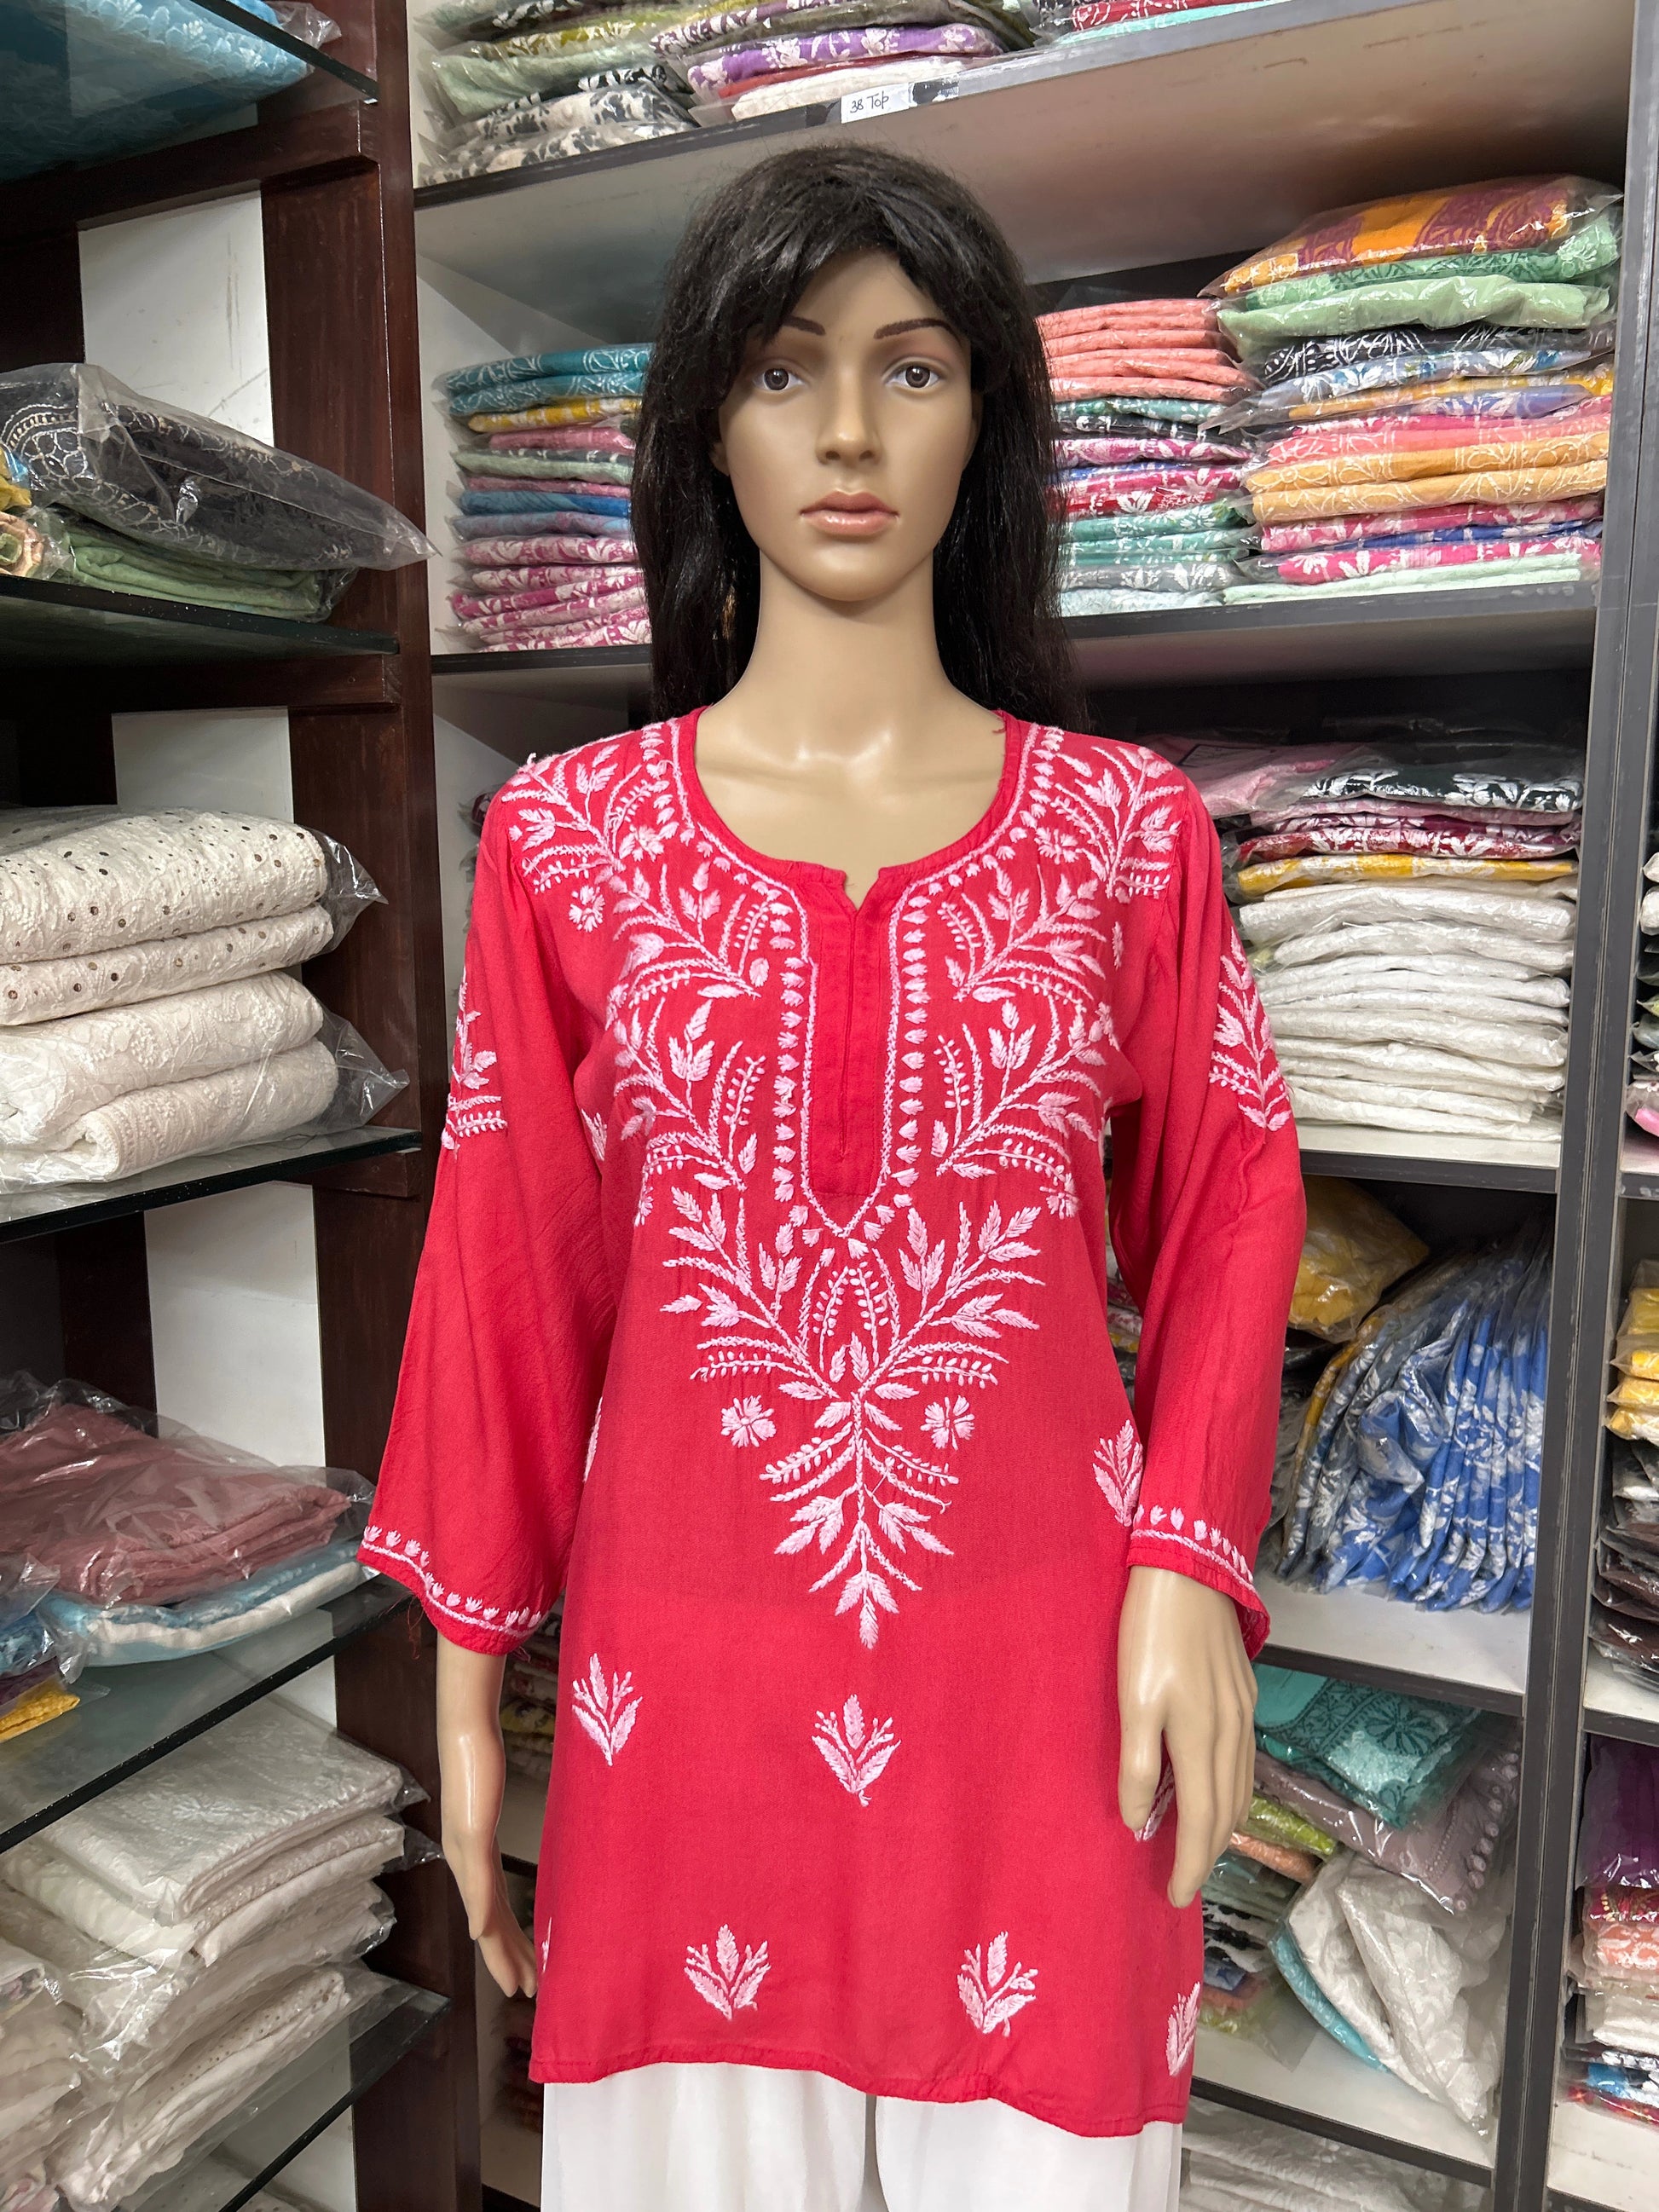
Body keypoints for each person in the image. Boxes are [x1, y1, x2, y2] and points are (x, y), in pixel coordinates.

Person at [365, 143, 1304, 2212]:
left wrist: (1187, 1560)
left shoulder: (1125, 831)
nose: (852, 431)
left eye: (916, 367)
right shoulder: (566, 839)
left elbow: (1232, 1191)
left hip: (1050, 1695)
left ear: (990, 423)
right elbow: (509, 1256)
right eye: (786, 370)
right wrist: (465, 1684)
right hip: (678, 1709)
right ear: (710, 423)